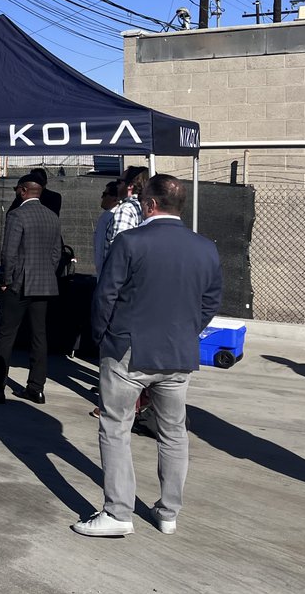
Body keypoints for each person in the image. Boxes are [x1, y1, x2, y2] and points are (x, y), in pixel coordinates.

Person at [73, 175, 222, 537]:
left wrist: (101, 340)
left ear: (150, 205)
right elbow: (211, 302)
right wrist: (186, 332)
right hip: (178, 355)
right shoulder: (205, 248)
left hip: (129, 351)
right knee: (173, 433)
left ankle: (119, 511)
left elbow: (105, 296)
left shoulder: (130, 242)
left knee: (115, 427)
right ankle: (168, 512)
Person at [0, 176, 61, 405]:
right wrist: (46, 273)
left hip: (19, 284)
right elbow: (56, 253)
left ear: (24, 191)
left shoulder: (17, 215)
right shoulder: (52, 216)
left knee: (5, 336)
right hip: (43, 283)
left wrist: (6, 280)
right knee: (39, 336)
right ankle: (36, 388)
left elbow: (9, 253)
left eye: (18, 189)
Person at [105, 166, 149, 254]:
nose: (117, 186)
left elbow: (120, 250)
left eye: (119, 182)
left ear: (130, 186)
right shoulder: (148, 207)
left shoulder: (126, 209)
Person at [93, 180, 121, 275]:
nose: (102, 197)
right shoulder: (107, 215)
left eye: (105, 194)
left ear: (115, 198)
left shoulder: (112, 216)